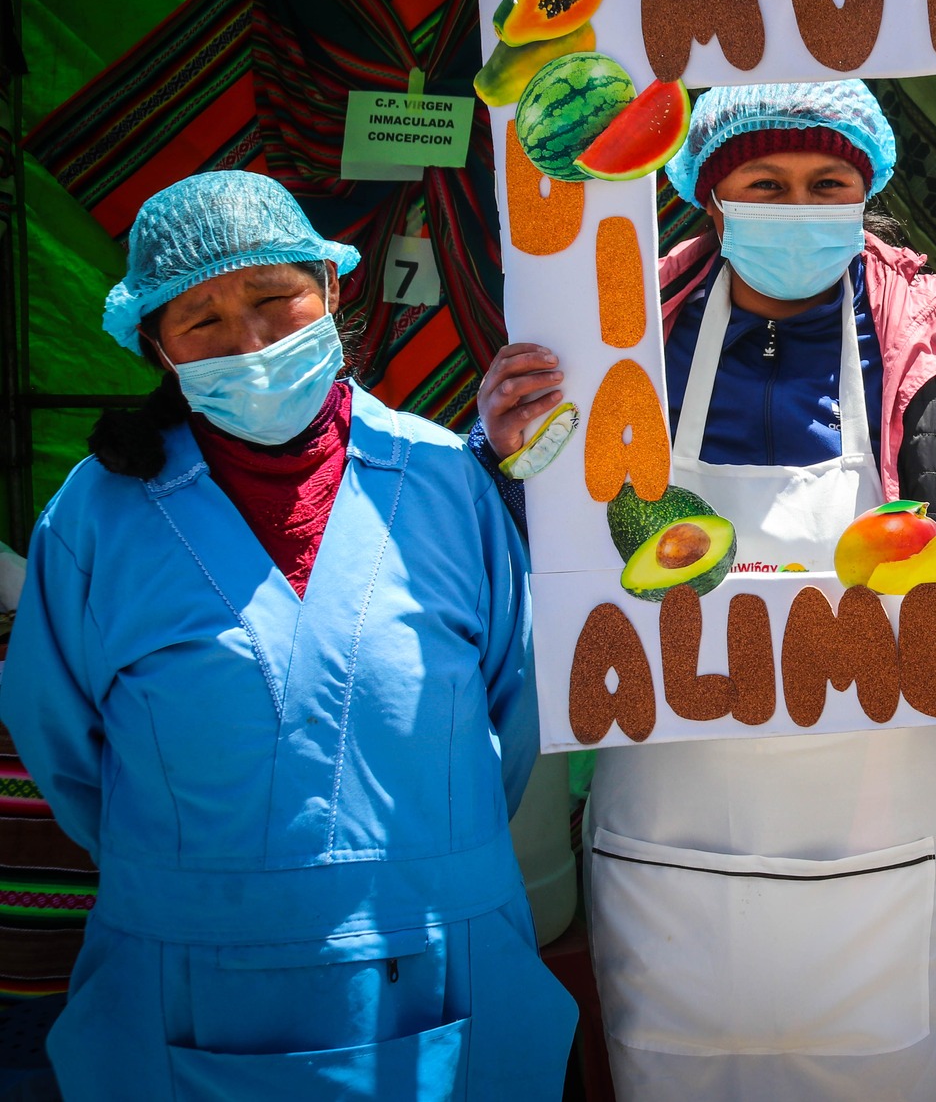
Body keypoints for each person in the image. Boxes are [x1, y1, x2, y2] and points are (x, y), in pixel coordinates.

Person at [473, 79, 936, 1101]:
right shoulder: (619, 342)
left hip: (895, 830)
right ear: (709, 196)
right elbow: (518, 536)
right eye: (764, 184)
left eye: (826, 183)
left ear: (865, 189)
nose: (795, 208)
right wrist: (502, 444)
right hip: (670, 834)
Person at [1, 172, 576, 1099]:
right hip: (186, 988)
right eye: (205, 323)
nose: (253, 344)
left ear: (334, 289)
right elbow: (66, 751)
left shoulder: (444, 480)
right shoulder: (96, 521)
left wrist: (417, 850)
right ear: (157, 345)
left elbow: (510, 710)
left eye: (275, 301)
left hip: (444, 967)